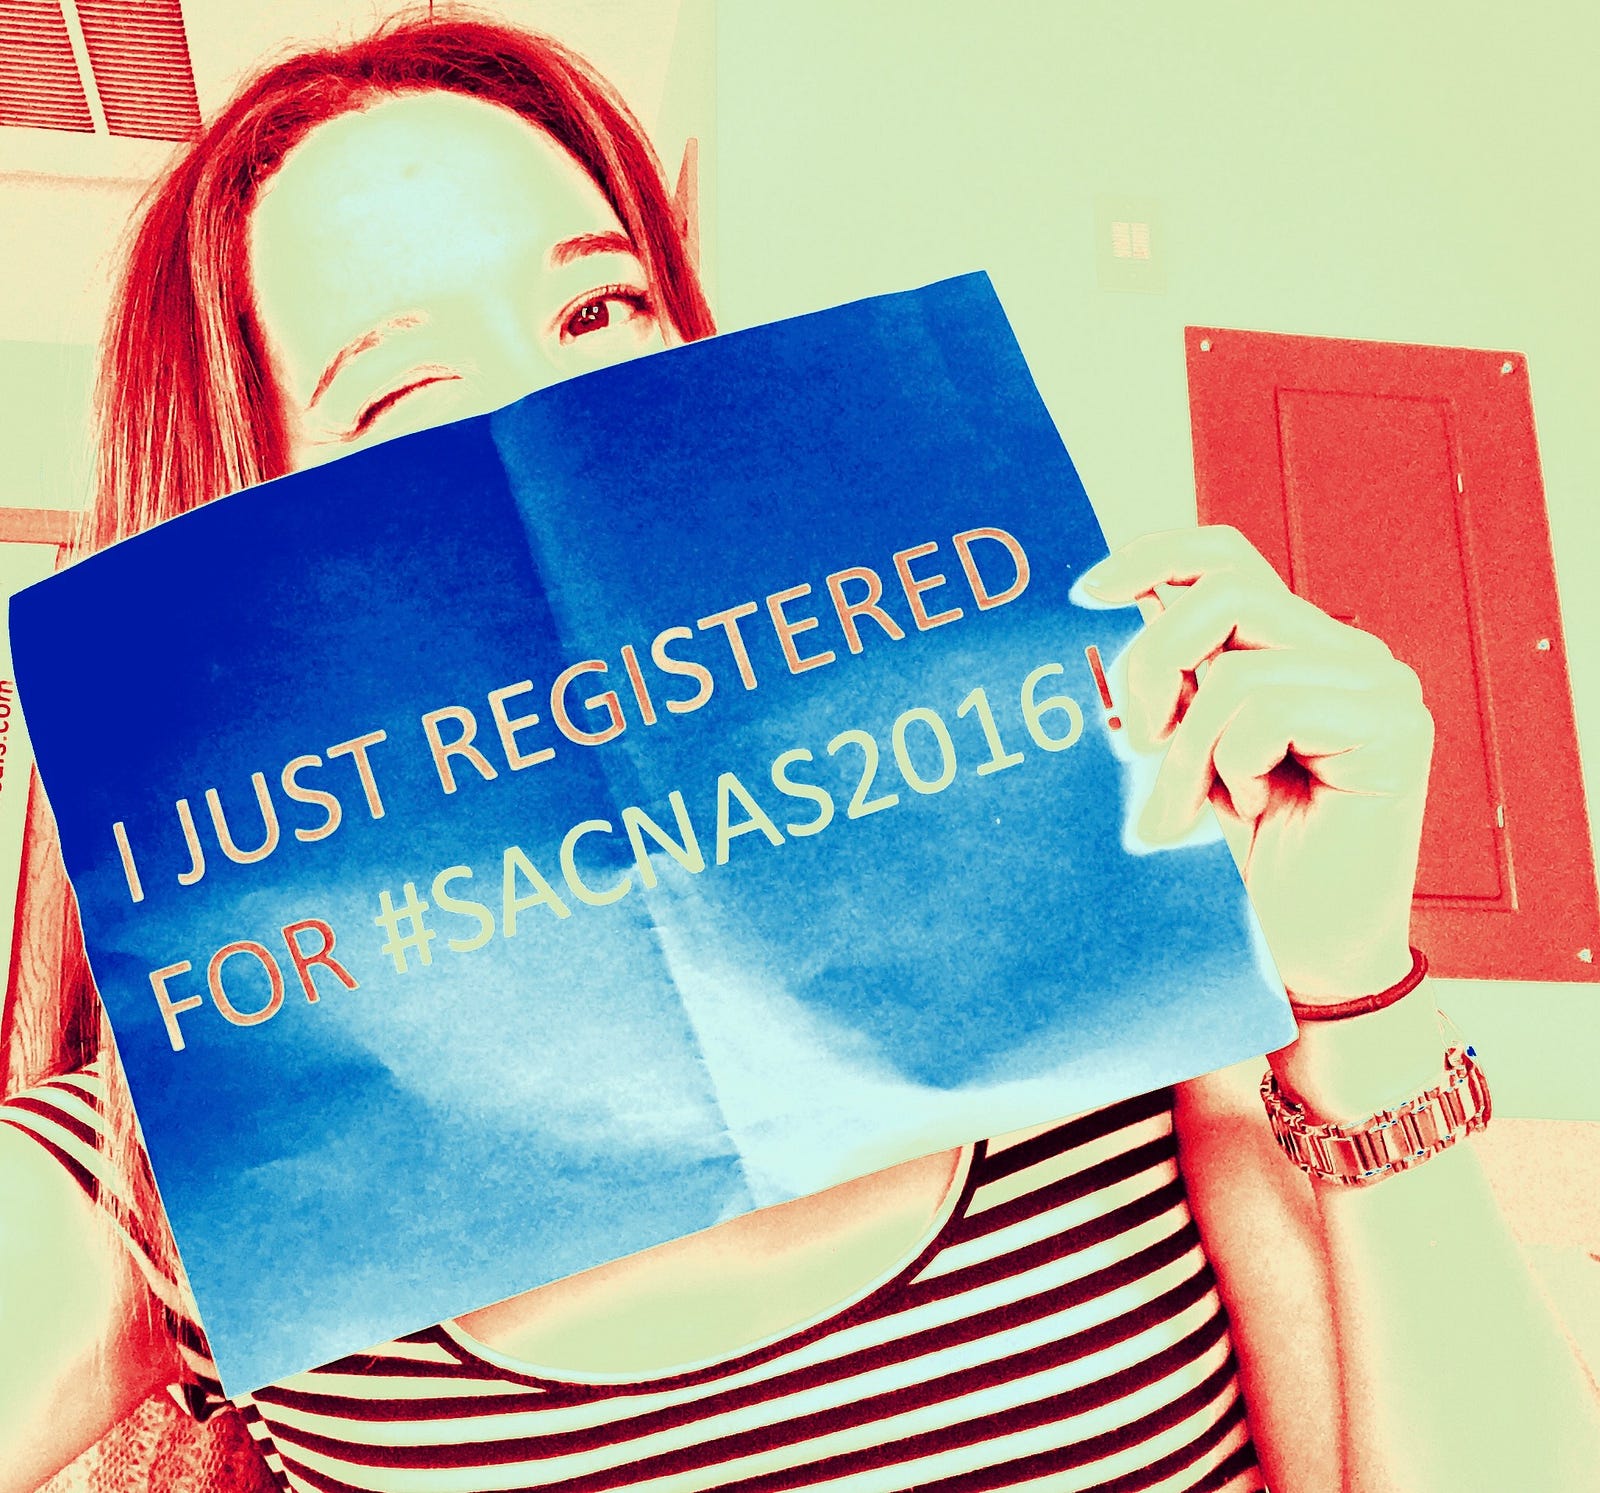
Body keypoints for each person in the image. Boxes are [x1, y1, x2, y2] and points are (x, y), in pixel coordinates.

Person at [2, 12, 1598, 1493]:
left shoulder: (1091, 922)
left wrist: (1350, 983)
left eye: (599, 309)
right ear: (243, 551)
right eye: (405, 393)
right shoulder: (194, 1144)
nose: (562, 412)